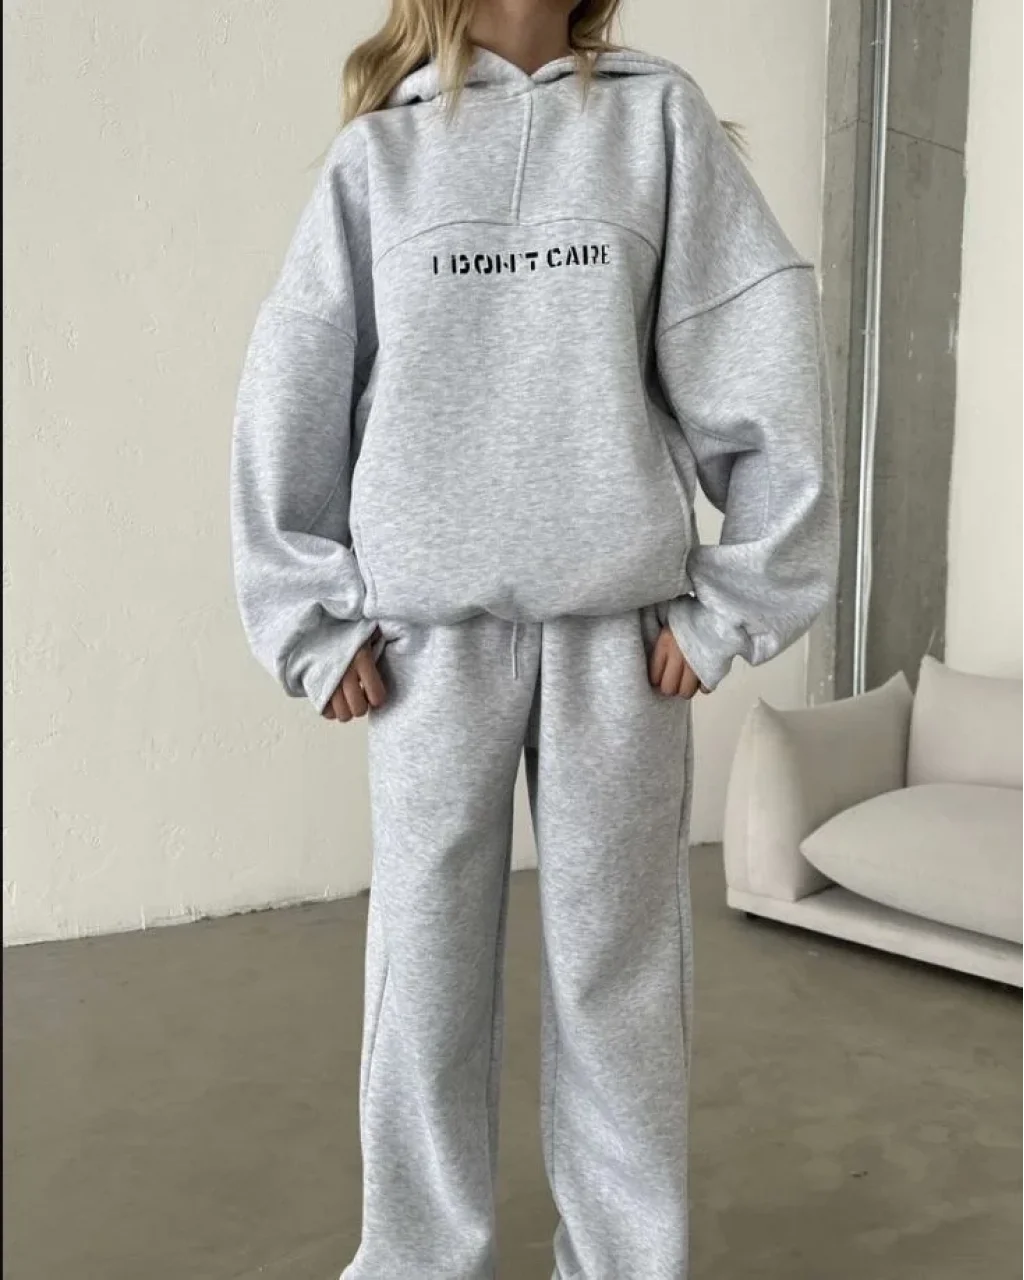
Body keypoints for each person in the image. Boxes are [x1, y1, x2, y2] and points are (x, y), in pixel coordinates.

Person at [231, 0, 838, 1275]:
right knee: (422, 980)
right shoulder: (379, 157)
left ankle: (623, 1261)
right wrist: (310, 620)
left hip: (619, 642)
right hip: (423, 648)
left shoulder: (655, 121)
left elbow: (761, 346)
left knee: (619, 981)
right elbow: (294, 381)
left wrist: (728, 606)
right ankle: (415, 1259)